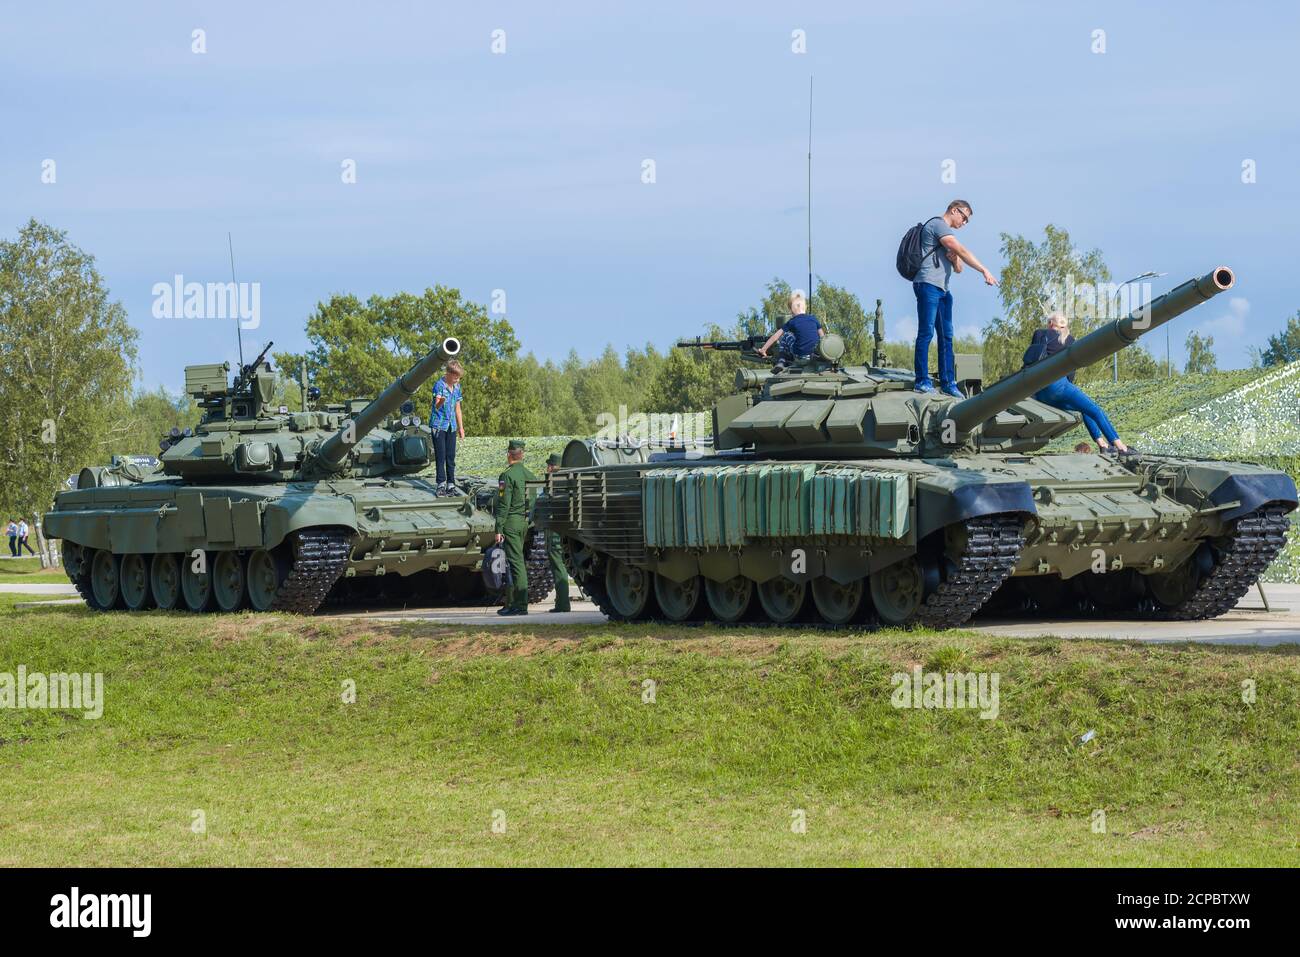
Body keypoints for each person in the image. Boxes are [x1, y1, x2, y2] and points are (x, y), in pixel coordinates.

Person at [910, 200, 998, 397]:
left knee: (946, 336)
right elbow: (963, 250)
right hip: (927, 285)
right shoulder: (937, 225)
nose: (964, 223)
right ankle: (922, 380)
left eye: (967, 220)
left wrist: (955, 258)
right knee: (926, 333)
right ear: (953, 210)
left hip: (943, 290)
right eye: (964, 217)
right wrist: (984, 270)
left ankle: (949, 382)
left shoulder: (947, 235)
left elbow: (958, 269)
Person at [1027, 313, 1131, 454]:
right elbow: (1071, 371)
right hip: (1059, 384)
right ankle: (1121, 447)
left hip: (1041, 393)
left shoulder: (1039, 334)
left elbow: (1032, 358)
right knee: (1095, 411)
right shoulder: (1069, 339)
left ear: (1050, 323)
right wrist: (1066, 388)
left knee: (1084, 410)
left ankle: (1103, 446)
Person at [494, 439, 538, 616]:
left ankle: (520, 605)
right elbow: (533, 502)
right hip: (524, 523)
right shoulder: (529, 475)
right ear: (522, 455)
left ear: (509, 455)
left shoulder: (507, 476)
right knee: (515, 563)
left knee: (516, 564)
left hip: (511, 523)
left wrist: (498, 528)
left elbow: (504, 505)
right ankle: (511, 603)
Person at [756, 290, 824, 362]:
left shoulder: (792, 321)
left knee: (786, 335)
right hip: (816, 353)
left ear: (792, 310)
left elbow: (776, 336)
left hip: (800, 355)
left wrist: (763, 349)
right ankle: (814, 355)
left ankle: (782, 360)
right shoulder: (813, 319)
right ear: (805, 307)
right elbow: (823, 337)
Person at [429, 358, 465, 494]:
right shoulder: (439, 385)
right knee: (441, 456)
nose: (457, 379)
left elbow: (458, 408)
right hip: (439, 425)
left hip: (451, 426)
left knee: (451, 456)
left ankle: (451, 484)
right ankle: (441, 484)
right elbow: (437, 407)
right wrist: (441, 402)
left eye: (458, 377)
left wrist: (461, 428)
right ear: (448, 373)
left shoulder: (457, 387)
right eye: (455, 377)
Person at [544, 453, 571, 613]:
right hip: (560, 531)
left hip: (555, 533)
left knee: (558, 568)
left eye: (549, 465)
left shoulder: (556, 484)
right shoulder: (566, 483)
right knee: (559, 567)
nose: (547, 468)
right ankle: (561, 601)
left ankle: (562, 603)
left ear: (554, 467)